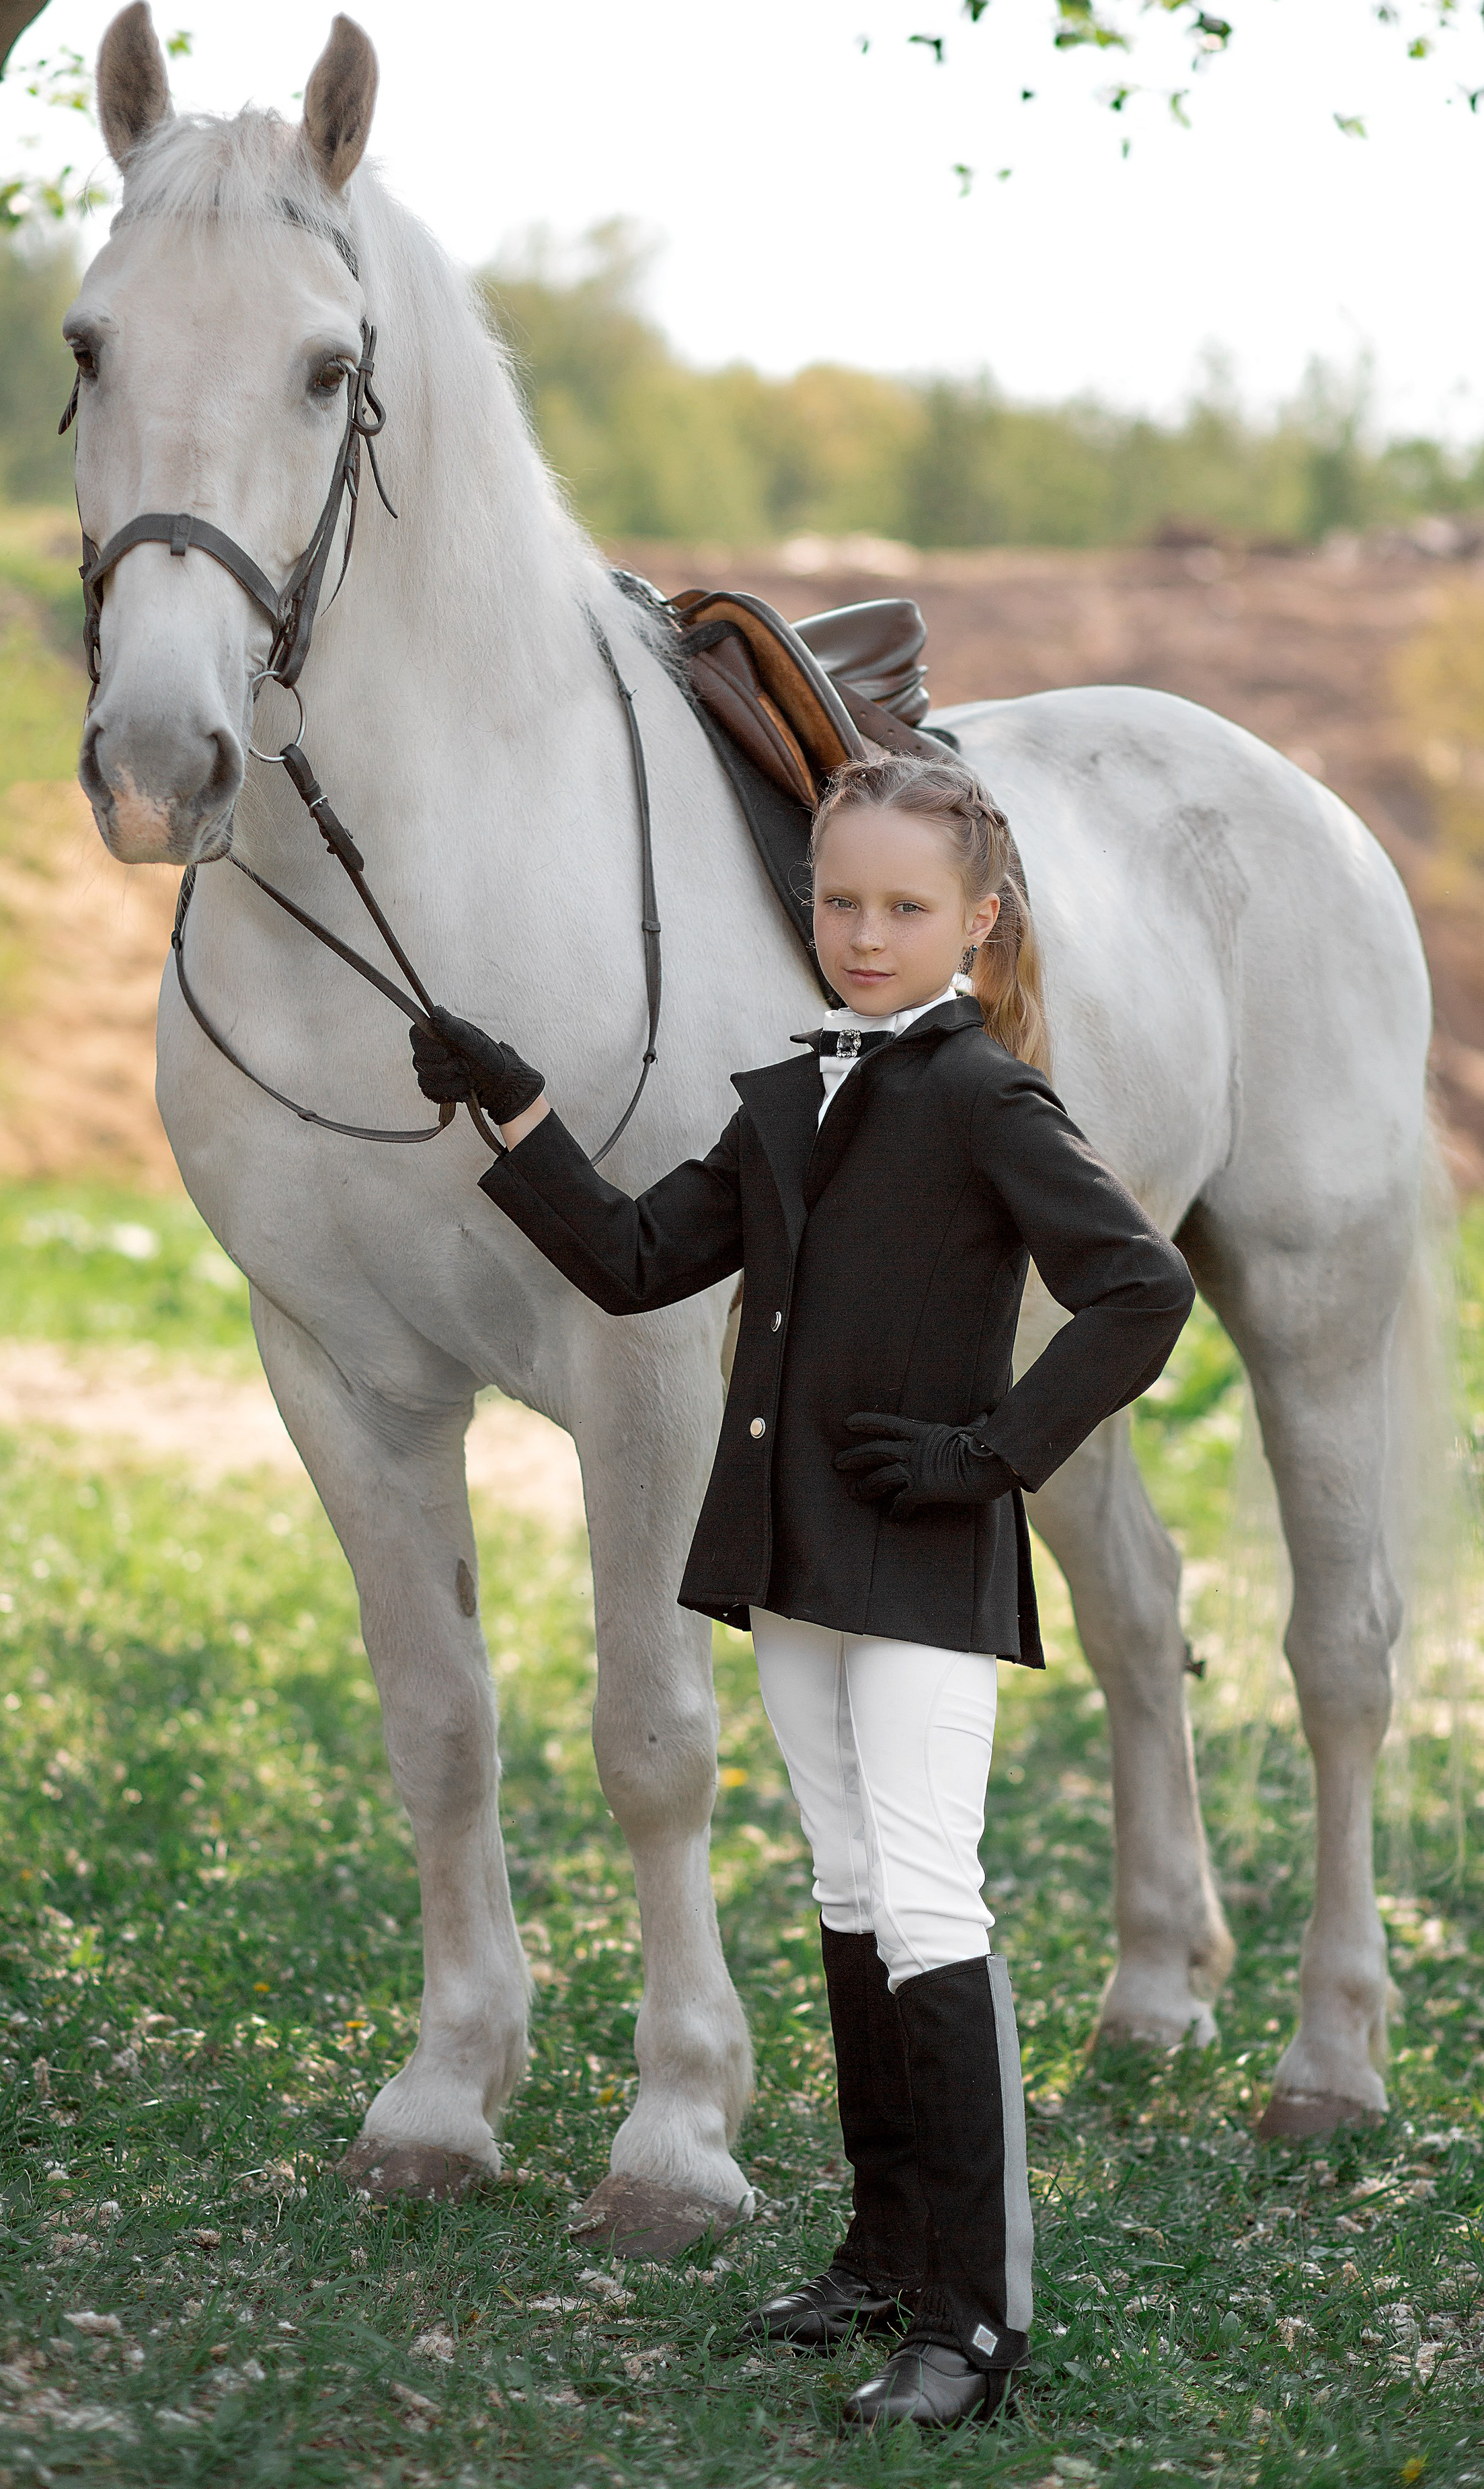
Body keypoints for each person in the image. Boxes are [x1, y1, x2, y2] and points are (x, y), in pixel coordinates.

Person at [409, 746, 1196, 2430]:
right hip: (790, 1560)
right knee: (845, 1891)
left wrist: (995, 1456)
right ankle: (883, 2255)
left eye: (903, 908)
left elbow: (1137, 1287)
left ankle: (974, 2328)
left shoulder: (989, 1101)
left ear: (974, 924)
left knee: (927, 1900)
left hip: (915, 1557)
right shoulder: (785, 1097)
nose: (862, 933)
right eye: (838, 901)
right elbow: (632, 1263)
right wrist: (520, 1112)